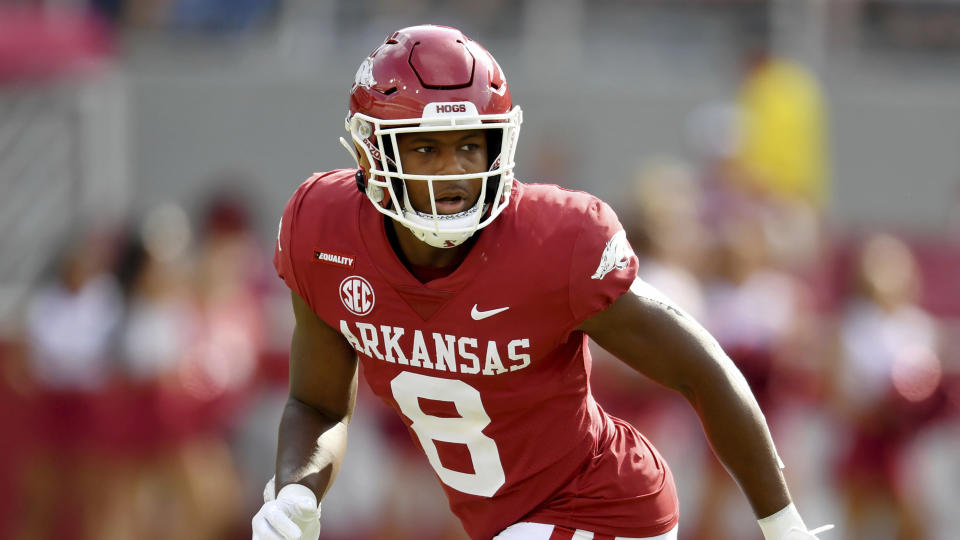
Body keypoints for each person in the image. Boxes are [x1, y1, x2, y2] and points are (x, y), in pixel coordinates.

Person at [251, 25, 830, 540]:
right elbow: (317, 402)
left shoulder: (555, 241)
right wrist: (297, 491)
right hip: (506, 519)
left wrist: (784, 525)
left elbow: (700, 367)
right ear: (370, 150)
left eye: (470, 145)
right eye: (425, 148)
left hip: (606, 506)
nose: (454, 172)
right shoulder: (323, 231)